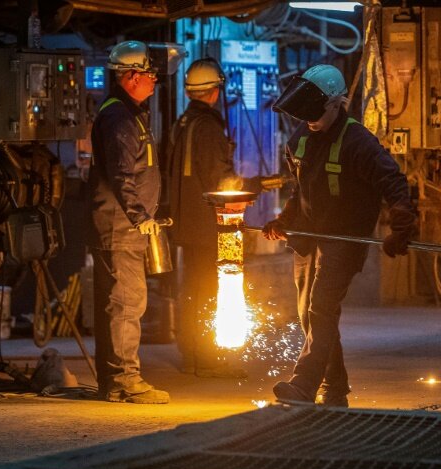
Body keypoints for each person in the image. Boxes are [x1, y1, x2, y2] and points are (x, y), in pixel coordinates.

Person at [263, 64, 417, 407]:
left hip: (345, 240)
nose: (310, 121)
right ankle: (335, 390)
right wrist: (284, 220)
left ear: (336, 104)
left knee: (321, 308)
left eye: (316, 114)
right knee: (309, 314)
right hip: (308, 237)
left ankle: (304, 385)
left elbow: (392, 181)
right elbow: (300, 189)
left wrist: (401, 221)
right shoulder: (300, 139)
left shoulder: (359, 142)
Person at [88, 40, 169, 404]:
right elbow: (121, 174)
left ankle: (117, 381)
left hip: (125, 225)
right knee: (125, 303)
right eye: (150, 74)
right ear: (132, 75)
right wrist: (140, 217)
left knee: (125, 302)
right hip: (119, 227)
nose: (154, 81)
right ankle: (123, 381)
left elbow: (137, 171)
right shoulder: (119, 116)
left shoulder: (130, 113)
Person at [167, 58, 245, 378]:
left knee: (193, 288)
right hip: (207, 223)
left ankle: (191, 354)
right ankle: (208, 359)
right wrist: (242, 186)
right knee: (211, 290)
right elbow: (219, 180)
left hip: (186, 222)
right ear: (214, 91)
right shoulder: (209, 127)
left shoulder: (183, 123)